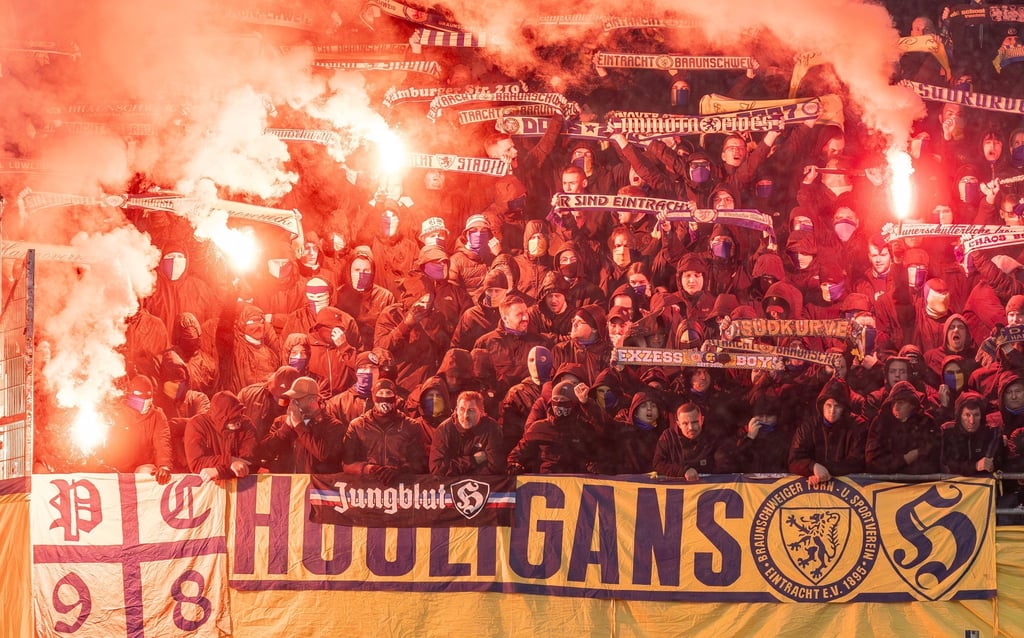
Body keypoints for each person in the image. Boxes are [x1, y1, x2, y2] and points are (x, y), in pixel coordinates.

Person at [507, 380, 604, 475]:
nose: (559, 405)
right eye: (556, 400)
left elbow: (597, 452)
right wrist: (513, 464)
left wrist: (596, 465)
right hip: (546, 482)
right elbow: (518, 452)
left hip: (574, 483)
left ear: (573, 404)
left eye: (564, 401)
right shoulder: (538, 428)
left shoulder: (583, 428)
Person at [343, 379, 427, 482]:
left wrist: (401, 470)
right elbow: (347, 464)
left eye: (388, 393)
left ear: (395, 397)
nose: (384, 397)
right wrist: (370, 469)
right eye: (380, 393)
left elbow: (419, 464)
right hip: (367, 490)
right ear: (373, 397)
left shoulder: (411, 426)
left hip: (401, 488)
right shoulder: (357, 426)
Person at [260, 376, 345, 473]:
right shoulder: (281, 422)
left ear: (313, 399)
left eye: (297, 400)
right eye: (291, 399)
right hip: (287, 486)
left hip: (315, 486)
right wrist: (286, 428)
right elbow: (263, 452)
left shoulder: (333, 426)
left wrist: (299, 426)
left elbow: (323, 454)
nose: (292, 404)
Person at [788, 378, 866, 484]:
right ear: (822, 405)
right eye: (828, 405)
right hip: (813, 487)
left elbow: (857, 462)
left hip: (847, 487)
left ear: (844, 408)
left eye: (837, 406)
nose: (832, 411)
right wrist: (813, 467)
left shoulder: (858, 426)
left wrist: (824, 471)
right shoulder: (808, 426)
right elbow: (794, 459)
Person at [102, 375, 174, 484]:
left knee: (148, 473)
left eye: (149, 395)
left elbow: (163, 441)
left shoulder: (157, 415)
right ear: (130, 395)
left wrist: (164, 466)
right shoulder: (117, 413)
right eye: (140, 395)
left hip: (141, 466)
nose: (145, 399)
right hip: (116, 467)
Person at [184, 391, 258, 482]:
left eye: (240, 414)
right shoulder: (196, 424)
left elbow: (248, 462)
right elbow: (196, 463)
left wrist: (220, 471)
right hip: (207, 487)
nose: (238, 421)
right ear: (221, 417)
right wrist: (230, 460)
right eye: (233, 417)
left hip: (239, 486)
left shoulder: (246, 424)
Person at [429, 390, 506, 476]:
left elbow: (496, 467)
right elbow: (437, 468)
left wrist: (459, 470)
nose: (466, 416)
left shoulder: (492, 427)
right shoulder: (444, 429)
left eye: (471, 410)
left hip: (483, 484)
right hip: (450, 485)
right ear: (456, 410)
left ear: (481, 412)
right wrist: (473, 460)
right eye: (462, 409)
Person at [652, 403, 727, 480]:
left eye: (695, 422)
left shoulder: (714, 436)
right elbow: (658, 464)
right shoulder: (668, 437)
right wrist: (683, 471)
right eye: (685, 423)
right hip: (677, 488)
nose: (691, 427)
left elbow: (725, 465)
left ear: (702, 420)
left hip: (709, 486)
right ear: (678, 424)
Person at [940, 391, 1003, 476]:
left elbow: (999, 462)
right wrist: (974, 466)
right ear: (959, 416)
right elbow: (946, 464)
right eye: (967, 415)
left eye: (976, 415)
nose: (972, 421)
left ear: (982, 416)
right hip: (952, 486)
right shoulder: (948, 431)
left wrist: (993, 465)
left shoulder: (992, 433)